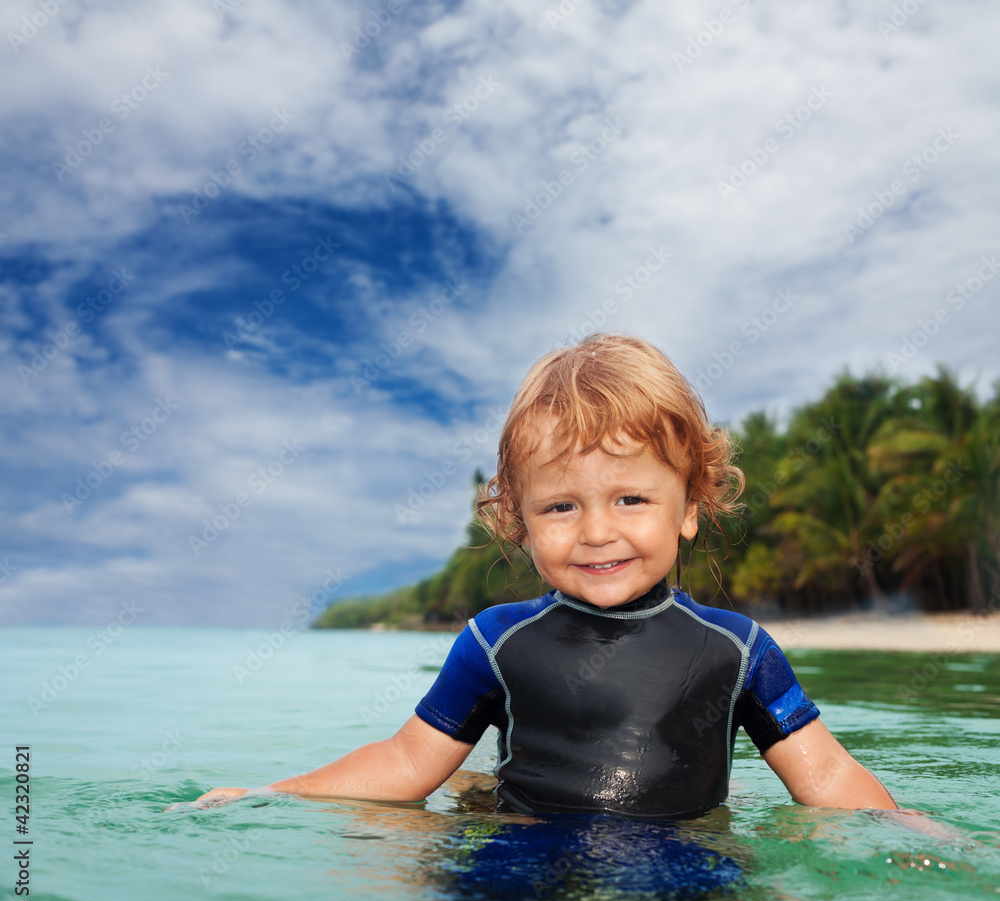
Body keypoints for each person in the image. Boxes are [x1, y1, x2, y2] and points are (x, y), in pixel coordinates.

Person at [196, 333, 896, 815]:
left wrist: (921, 835)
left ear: (690, 506)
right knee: (388, 847)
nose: (596, 531)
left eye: (630, 498)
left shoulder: (739, 650)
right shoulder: (496, 641)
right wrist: (272, 793)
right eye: (561, 505)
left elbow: (828, 776)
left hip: (681, 869)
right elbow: (407, 763)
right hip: (522, 861)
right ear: (519, 520)